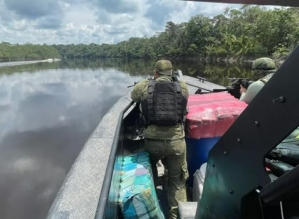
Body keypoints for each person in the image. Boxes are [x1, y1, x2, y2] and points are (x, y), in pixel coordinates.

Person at [130, 60, 189, 219]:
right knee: (177, 182)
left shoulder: (144, 86)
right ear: (171, 73)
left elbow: (133, 97)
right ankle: (177, 216)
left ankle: (153, 209)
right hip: (176, 141)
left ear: (155, 73)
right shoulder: (182, 87)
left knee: (150, 175)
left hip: (152, 141)